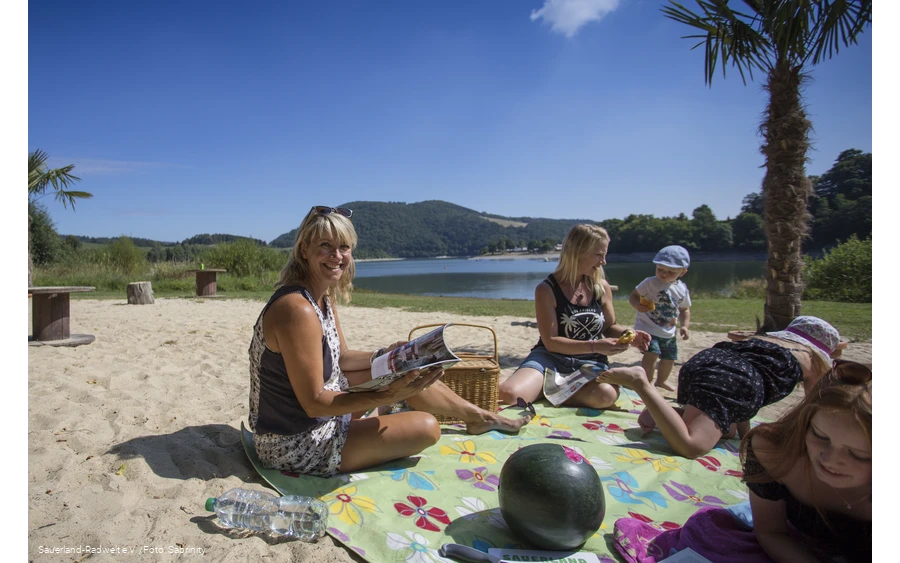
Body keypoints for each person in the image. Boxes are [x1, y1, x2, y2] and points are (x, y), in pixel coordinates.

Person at [247, 205, 529, 478]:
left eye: (344, 247)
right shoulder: (297, 309)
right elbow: (315, 404)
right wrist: (386, 396)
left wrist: (387, 355)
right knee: (428, 427)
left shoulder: (322, 298)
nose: (337, 256)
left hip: (313, 415)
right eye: (325, 246)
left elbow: (342, 357)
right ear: (304, 249)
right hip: (293, 442)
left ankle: (478, 416)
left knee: (405, 369)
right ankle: (395, 409)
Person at [597, 315, 847, 459]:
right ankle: (641, 383)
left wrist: (741, 430)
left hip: (706, 362)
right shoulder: (810, 361)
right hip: (732, 379)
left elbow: (741, 400)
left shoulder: (767, 340)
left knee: (724, 430)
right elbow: (814, 404)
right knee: (692, 446)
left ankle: (666, 413)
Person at [498, 224, 651, 410]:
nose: (604, 261)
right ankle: (558, 389)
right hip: (550, 358)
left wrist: (630, 335)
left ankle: (550, 391)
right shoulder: (546, 289)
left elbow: (610, 327)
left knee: (606, 395)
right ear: (579, 252)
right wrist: (596, 345)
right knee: (509, 394)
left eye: (605, 255)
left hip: (590, 362)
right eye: (599, 255)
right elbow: (551, 342)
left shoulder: (601, 287)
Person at [740, 359, 872, 562]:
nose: (830, 459)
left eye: (858, 454)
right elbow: (770, 532)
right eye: (820, 436)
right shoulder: (773, 451)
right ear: (805, 420)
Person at [628, 245, 692, 392]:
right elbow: (633, 296)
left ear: (682, 272)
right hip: (648, 328)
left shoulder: (682, 288)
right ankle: (647, 382)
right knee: (652, 354)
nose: (663, 274)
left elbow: (684, 309)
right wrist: (637, 304)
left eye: (670, 272)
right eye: (660, 269)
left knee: (669, 358)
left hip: (669, 331)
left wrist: (684, 326)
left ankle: (661, 381)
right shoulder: (650, 282)